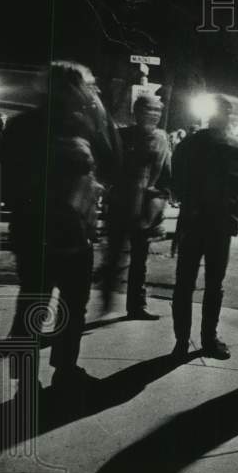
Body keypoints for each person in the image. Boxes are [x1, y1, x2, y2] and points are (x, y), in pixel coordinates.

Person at [1, 60, 121, 391]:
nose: (91, 91)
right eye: (88, 85)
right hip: (53, 231)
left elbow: (112, 165)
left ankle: (45, 373)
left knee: (42, 303)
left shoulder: (34, 124)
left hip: (61, 231)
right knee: (56, 304)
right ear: (71, 87)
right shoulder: (66, 126)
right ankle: (58, 370)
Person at [171, 94, 238, 360]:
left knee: (186, 284)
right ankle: (206, 339)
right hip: (218, 224)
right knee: (211, 284)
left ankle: (183, 341)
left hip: (196, 221)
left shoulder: (189, 144)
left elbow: (176, 183)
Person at [100, 95, 171, 320]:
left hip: (144, 206)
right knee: (115, 256)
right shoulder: (122, 136)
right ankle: (106, 298)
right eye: (149, 110)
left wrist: (160, 196)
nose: (154, 115)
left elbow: (167, 172)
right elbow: (108, 166)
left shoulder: (161, 138)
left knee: (140, 259)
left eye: (157, 111)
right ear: (136, 112)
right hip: (122, 202)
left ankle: (136, 305)